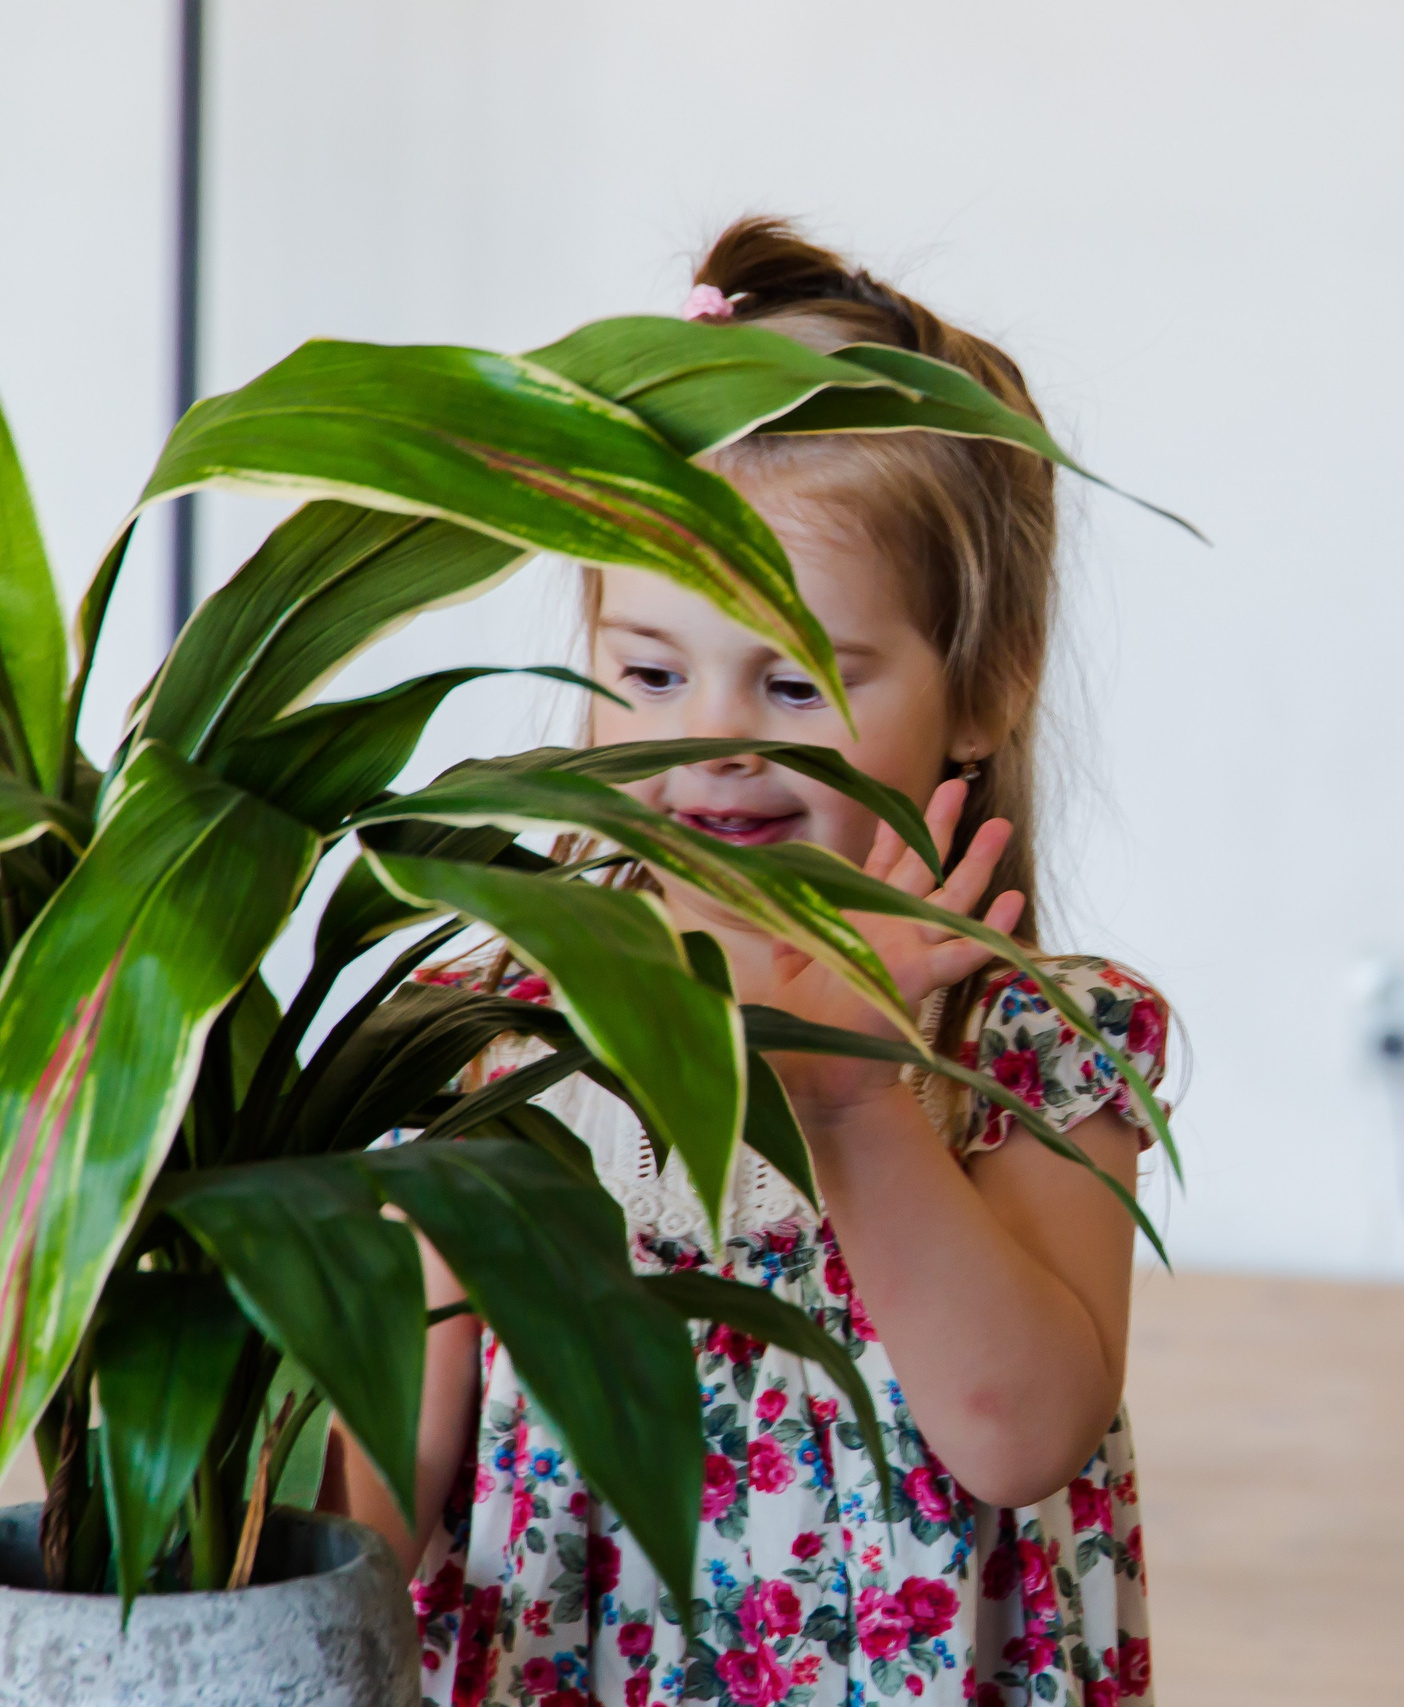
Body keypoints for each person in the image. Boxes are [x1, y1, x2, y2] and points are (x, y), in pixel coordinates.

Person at [341, 217, 1170, 1707]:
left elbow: (1019, 1430)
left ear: (981, 688)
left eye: (792, 680)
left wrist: (854, 1103)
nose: (711, 741)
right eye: (650, 672)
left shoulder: (1032, 1043)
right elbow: (389, 1464)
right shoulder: (486, 1041)